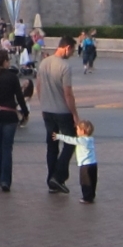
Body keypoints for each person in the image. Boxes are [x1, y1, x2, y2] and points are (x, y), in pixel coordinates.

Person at [36, 36, 80, 194]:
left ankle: (51, 181)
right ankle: (58, 176)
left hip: (48, 111)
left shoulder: (44, 63)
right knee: (71, 142)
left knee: (52, 146)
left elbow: (38, 86)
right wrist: (75, 114)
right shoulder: (65, 66)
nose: (72, 54)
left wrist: (43, 104)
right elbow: (68, 93)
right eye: (72, 51)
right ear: (67, 48)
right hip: (62, 111)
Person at [0, 49, 28, 191]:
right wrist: (25, 112)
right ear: (5, 62)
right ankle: (5, 180)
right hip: (10, 115)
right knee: (7, 148)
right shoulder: (12, 77)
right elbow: (19, 97)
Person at [52, 119, 98, 203]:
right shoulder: (90, 139)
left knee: (85, 181)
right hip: (93, 164)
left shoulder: (82, 140)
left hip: (85, 165)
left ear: (83, 131)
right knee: (92, 180)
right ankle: (91, 195)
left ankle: (87, 198)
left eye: (77, 129)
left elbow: (71, 140)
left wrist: (59, 136)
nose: (76, 131)